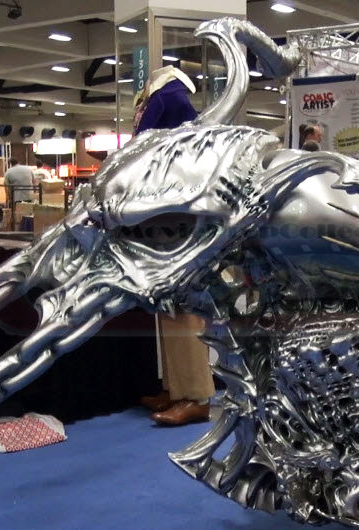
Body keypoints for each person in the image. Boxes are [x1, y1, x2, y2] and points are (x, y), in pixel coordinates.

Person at [133, 65, 214, 428]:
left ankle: (196, 395)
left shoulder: (169, 98)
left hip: (176, 212)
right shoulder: (166, 97)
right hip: (166, 209)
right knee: (168, 304)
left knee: (182, 304)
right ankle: (177, 387)